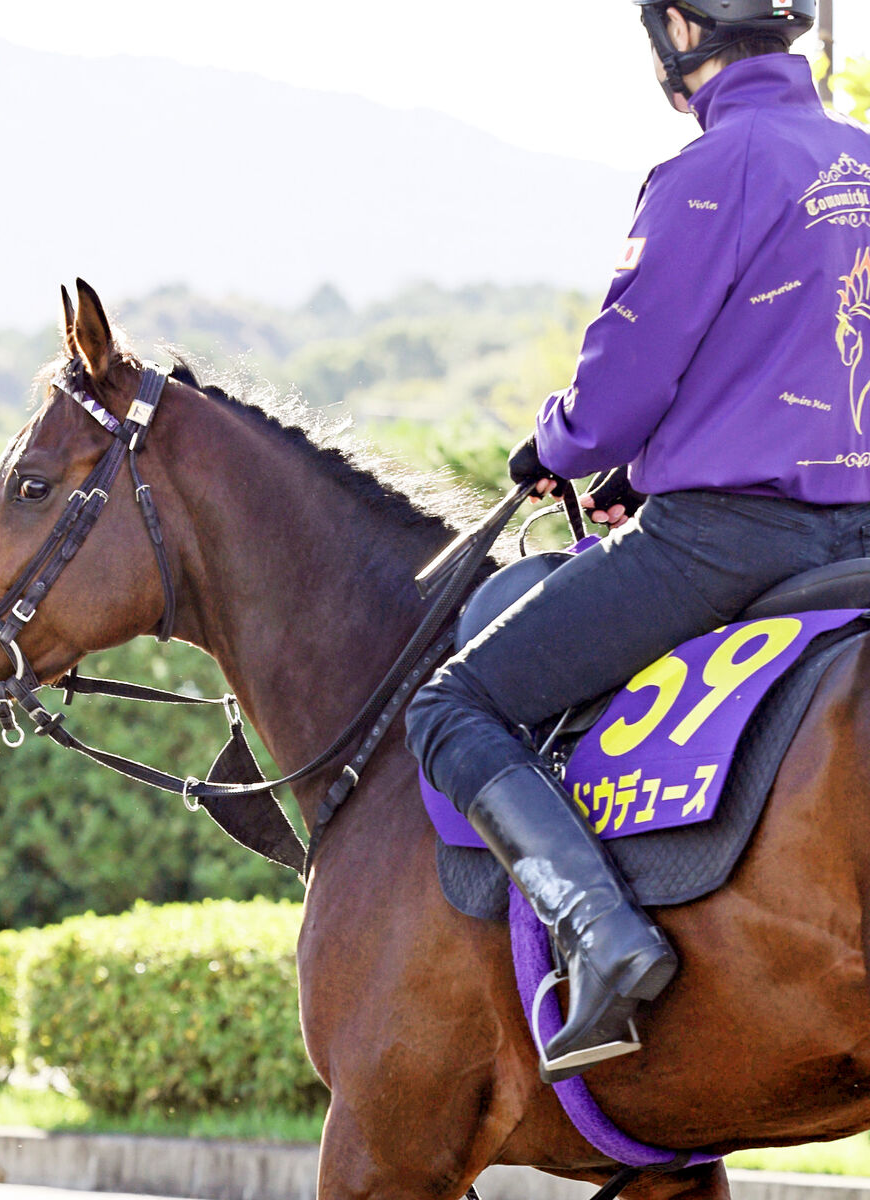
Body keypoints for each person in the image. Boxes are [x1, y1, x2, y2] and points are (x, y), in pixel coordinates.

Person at [406, 0, 870, 1082]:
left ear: (674, 30)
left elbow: (617, 389)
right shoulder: (858, 157)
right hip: (856, 537)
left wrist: (556, 448)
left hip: (731, 542)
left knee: (454, 705)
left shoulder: (708, 169)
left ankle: (601, 940)